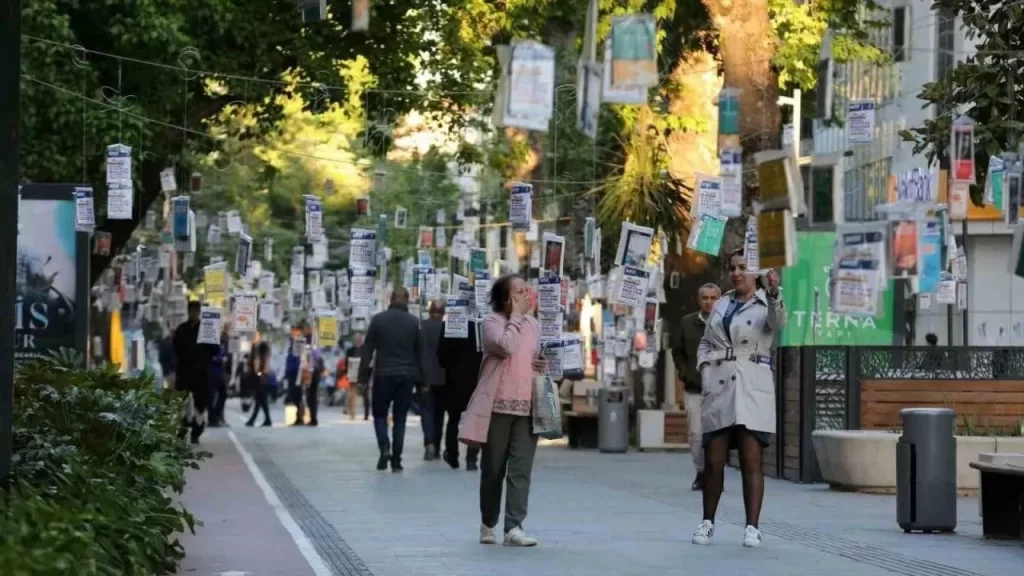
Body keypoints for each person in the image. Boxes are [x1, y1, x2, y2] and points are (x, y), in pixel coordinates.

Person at [691, 249, 784, 549]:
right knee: (714, 460)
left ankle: (752, 526)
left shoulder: (765, 302)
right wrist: (704, 367)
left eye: (744, 267)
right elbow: (705, 342)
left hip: (752, 384)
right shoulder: (722, 303)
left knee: (750, 458)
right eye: (733, 267)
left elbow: (778, 322)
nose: (737, 272)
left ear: (755, 272)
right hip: (719, 385)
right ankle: (707, 522)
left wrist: (774, 292)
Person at [460, 275, 546, 547]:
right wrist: (518, 317)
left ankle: (514, 527)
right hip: (498, 406)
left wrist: (541, 363)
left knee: (521, 469)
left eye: (526, 290)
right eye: (519, 292)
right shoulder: (492, 323)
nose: (526, 295)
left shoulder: (534, 324)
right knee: (494, 469)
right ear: (505, 299)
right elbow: (505, 346)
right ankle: (488, 523)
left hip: (527, 406)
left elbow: (530, 356)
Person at [359, 287, 426, 472]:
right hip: (406, 376)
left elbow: (367, 351)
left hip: (383, 374)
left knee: (379, 415)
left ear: (390, 299)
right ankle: (397, 460)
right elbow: (422, 355)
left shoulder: (378, 320)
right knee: (400, 418)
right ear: (407, 300)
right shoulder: (414, 323)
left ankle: (384, 447)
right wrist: (424, 382)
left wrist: (362, 378)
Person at [671, 282, 722, 491]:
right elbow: (677, 351)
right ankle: (701, 471)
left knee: (719, 435)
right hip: (695, 388)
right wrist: (685, 373)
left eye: (713, 298)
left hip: (721, 389)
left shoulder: (724, 322)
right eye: (705, 298)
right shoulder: (687, 322)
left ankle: (716, 473)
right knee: (696, 434)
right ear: (699, 300)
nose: (709, 302)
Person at [436, 310, 483, 471]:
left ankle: (452, 455)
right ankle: (471, 458)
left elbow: (441, 355)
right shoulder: (482, 322)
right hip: (477, 378)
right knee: (476, 419)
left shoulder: (450, 324)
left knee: (453, 419)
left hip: (454, 379)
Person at [172, 301, 221, 443]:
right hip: (184, 372)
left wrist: (214, 338)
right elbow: (176, 348)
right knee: (181, 403)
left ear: (200, 313)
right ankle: (181, 430)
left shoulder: (206, 329)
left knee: (201, 404)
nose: (194, 313)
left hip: (201, 373)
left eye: (196, 311)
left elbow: (215, 351)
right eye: (191, 311)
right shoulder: (181, 329)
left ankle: (197, 431)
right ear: (188, 312)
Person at [420, 300, 447, 461]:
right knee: (439, 414)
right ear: (443, 312)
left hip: (425, 377)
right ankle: (436, 446)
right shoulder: (448, 328)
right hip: (444, 378)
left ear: (430, 311)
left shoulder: (422, 326)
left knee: (427, 412)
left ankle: (429, 442)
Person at [297, 323, 324, 427]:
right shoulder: (305, 340)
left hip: (313, 370)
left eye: (303, 329)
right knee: (309, 395)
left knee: (311, 395)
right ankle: (312, 417)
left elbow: (317, 355)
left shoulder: (312, 340)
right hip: (308, 370)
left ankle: (313, 418)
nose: (302, 331)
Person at [246, 341, 273, 427]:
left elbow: (260, 369)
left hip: (260, 380)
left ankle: (253, 420)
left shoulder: (263, 358)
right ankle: (267, 419)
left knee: (259, 400)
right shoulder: (264, 357)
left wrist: (260, 375)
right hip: (262, 379)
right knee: (262, 400)